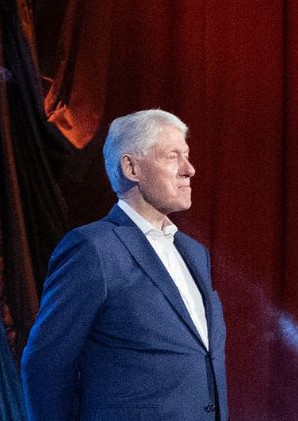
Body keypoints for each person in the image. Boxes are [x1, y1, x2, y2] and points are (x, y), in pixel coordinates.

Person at [22, 109, 228, 420]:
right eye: (173, 156)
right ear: (131, 167)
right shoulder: (94, 249)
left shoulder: (195, 254)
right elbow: (45, 363)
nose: (190, 170)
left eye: (187, 156)